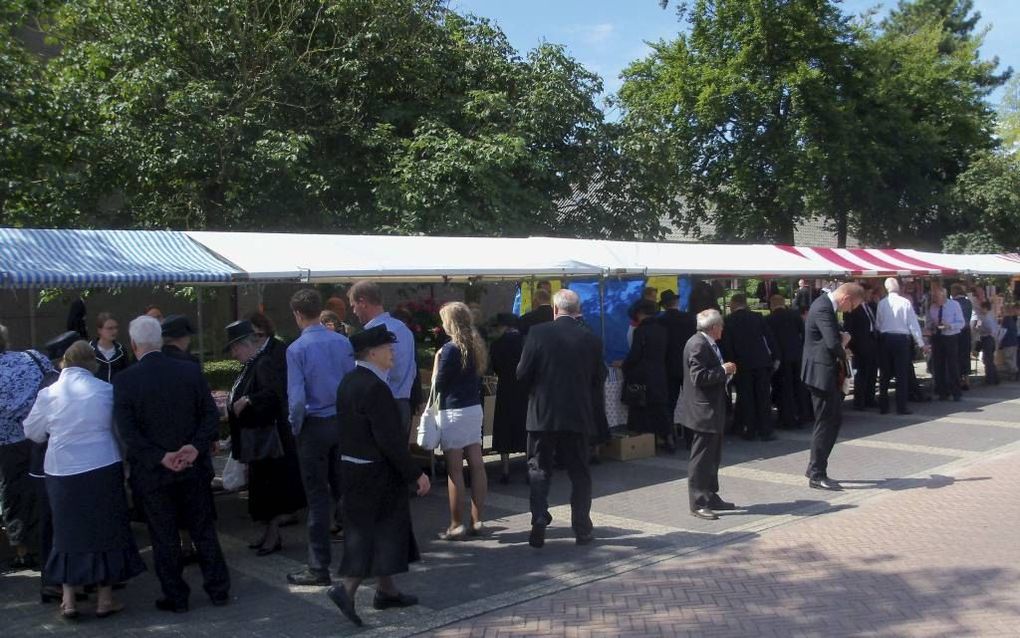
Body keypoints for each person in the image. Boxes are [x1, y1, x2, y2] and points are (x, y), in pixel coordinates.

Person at [113, 316, 229, 612]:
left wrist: (159, 456)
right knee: (203, 530)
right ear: (161, 340)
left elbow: (128, 432)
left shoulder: (125, 380)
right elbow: (209, 415)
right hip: (192, 467)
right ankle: (218, 589)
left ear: (134, 344)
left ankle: (176, 596)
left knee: (163, 536)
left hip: (154, 473)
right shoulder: (189, 371)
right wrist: (193, 447)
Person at [24, 341, 146, 620]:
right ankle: (105, 599)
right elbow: (120, 430)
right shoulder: (105, 390)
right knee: (106, 529)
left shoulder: (49, 393)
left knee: (66, 533)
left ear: (64, 363)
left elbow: (32, 432)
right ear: (93, 364)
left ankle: (68, 600)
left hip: (62, 470)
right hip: (103, 465)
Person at [326, 325, 431, 627]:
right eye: (387, 348)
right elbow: (389, 440)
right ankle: (346, 589)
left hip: (354, 469)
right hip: (376, 472)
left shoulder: (350, 382)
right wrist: (416, 473)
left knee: (387, 529)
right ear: (372, 353)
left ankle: (386, 591)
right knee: (371, 533)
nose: (392, 353)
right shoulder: (374, 388)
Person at [516, 290, 605, 548]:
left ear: (555, 310)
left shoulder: (537, 333)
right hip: (577, 415)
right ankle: (582, 528)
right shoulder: (591, 338)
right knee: (580, 473)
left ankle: (539, 517)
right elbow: (599, 378)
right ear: (577, 310)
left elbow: (522, 373)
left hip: (543, 415)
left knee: (539, 469)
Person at [286, 289, 355, 586]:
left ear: (298, 314)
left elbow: (297, 400)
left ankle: (319, 567)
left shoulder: (296, 349)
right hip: (341, 421)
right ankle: (359, 557)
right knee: (345, 492)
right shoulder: (342, 342)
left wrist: (295, 426)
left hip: (314, 424)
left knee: (317, 499)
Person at [224, 320, 306, 557]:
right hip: (258, 440)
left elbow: (274, 394)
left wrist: (250, 400)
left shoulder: (263, 363)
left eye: (235, 348)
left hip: (268, 441)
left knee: (268, 491)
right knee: (262, 490)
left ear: (247, 345)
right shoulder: (251, 364)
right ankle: (270, 534)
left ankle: (272, 535)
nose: (234, 353)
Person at [0, 323, 53, 571]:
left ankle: (22, 550)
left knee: (13, 495)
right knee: (43, 490)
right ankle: (47, 542)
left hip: (7, 444)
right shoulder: (33, 357)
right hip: (40, 437)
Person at [802, 283, 865, 491]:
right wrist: (844, 344)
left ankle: (815, 468)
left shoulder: (826, 307)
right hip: (821, 374)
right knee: (826, 423)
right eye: (853, 306)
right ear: (846, 298)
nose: (851, 310)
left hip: (825, 373)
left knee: (832, 421)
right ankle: (817, 473)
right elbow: (831, 342)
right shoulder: (823, 307)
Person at [433, 302, 488, 540]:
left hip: (453, 410)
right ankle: (478, 520)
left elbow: (439, 384)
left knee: (455, 469)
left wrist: (436, 363)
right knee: (477, 464)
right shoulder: (476, 345)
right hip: (473, 408)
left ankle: (456, 524)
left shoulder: (449, 349)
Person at [682, 309, 738, 520]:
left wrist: (725, 373)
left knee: (713, 455)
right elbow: (699, 377)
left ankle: (710, 494)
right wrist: (724, 370)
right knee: (702, 457)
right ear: (714, 327)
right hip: (703, 409)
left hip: (713, 407)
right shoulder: (697, 344)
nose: (723, 330)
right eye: (721, 326)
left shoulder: (706, 343)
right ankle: (697, 502)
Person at [348, 281, 417, 434]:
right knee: (398, 454)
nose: (353, 311)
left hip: (382, 404)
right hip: (403, 403)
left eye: (353, 306)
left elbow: (376, 373)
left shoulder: (374, 334)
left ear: (363, 302)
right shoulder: (404, 330)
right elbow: (412, 370)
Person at [722, 294, 779, 441]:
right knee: (763, 396)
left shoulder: (728, 321)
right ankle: (766, 430)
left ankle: (749, 429)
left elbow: (728, 345)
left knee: (746, 397)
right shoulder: (758, 317)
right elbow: (769, 338)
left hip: (742, 364)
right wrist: (775, 357)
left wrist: (730, 363)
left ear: (733, 304)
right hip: (761, 362)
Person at [622, 299, 673, 448]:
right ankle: (668, 439)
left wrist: (625, 365)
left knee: (640, 407)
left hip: (643, 375)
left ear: (639, 313)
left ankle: (643, 441)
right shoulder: (663, 330)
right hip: (660, 372)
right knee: (661, 408)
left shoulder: (640, 331)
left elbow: (635, 354)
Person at [876, 278, 927, 415]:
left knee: (884, 374)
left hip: (886, 338)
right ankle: (901, 406)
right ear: (898, 287)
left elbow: (878, 324)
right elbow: (913, 324)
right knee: (901, 374)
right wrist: (921, 343)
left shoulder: (881, 303)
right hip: (901, 339)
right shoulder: (905, 302)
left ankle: (883, 406)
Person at [489, 313, 528, 483]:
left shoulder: (496, 344)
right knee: (525, 427)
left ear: (503, 326)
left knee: (504, 427)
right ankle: (529, 468)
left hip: (505, 389)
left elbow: (494, 368)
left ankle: (505, 470)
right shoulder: (526, 342)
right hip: (524, 390)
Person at [657, 290, 697, 444]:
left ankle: (669, 437)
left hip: (668, 366)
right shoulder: (689, 318)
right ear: (676, 302)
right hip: (688, 364)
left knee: (669, 403)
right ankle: (690, 437)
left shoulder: (660, 321)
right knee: (690, 402)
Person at [766, 294, 809, 428]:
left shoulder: (769, 319)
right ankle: (802, 415)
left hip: (781, 358)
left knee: (784, 389)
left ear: (772, 305)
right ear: (784, 303)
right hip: (797, 355)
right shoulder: (795, 315)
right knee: (798, 386)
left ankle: (786, 418)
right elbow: (803, 333)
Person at [843, 285, 881, 410]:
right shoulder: (854, 308)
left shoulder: (869, 306)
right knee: (862, 373)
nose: (869, 295)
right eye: (868, 293)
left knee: (872, 372)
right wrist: (850, 345)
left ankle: (870, 398)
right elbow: (849, 327)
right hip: (860, 344)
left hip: (871, 341)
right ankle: (859, 401)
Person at [926, 288, 965, 401]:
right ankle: (942, 391)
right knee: (938, 365)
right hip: (937, 337)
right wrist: (931, 327)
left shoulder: (954, 305)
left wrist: (950, 325)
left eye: (937, 297)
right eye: (934, 297)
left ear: (944, 297)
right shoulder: (932, 307)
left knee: (952, 365)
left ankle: (956, 392)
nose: (934, 300)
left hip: (951, 336)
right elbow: (929, 322)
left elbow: (961, 322)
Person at [90, 312, 131, 382]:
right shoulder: (88, 350)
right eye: (110, 328)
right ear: (99, 330)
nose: (114, 331)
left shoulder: (121, 351)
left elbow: (126, 374)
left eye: (116, 328)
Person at [951, 284, 974, 390]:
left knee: (956, 356)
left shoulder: (954, 303)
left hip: (957, 331)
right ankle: (967, 380)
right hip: (966, 331)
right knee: (965, 356)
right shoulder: (968, 302)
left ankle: (959, 380)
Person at [975, 301, 1000, 385]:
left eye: (982, 308)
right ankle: (994, 378)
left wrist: (980, 328)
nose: (981, 309)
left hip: (988, 338)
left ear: (986, 308)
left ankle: (990, 379)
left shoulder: (988, 317)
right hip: (986, 338)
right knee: (988, 359)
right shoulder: (984, 317)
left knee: (988, 359)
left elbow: (991, 329)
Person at [1000, 306, 1018, 381]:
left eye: (1002, 311)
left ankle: (1014, 372)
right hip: (1014, 342)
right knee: (1013, 359)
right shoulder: (1012, 320)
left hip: (1008, 342)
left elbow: (1003, 332)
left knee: (1008, 359)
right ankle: (1014, 373)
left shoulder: (1006, 320)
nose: (1001, 313)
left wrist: (1000, 341)